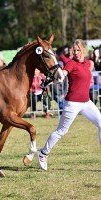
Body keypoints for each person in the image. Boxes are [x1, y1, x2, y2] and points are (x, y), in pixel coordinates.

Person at [37, 39, 101, 171]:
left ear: (83, 50)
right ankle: (43, 153)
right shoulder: (71, 64)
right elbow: (62, 75)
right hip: (72, 103)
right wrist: (53, 79)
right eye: (74, 50)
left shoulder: (89, 63)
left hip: (86, 102)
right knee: (61, 131)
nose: (76, 53)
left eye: (78, 50)